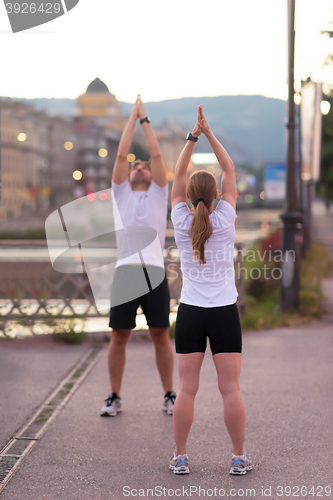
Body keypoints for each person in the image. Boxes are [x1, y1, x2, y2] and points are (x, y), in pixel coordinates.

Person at [169, 105, 252, 475]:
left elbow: (177, 173)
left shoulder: (180, 218)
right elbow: (230, 168)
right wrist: (210, 133)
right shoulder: (227, 217)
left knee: (186, 390)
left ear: (188, 195)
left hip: (189, 312)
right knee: (230, 389)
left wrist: (193, 136)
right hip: (223, 313)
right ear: (218, 194)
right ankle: (237, 459)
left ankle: (181, 458)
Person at [100, 96, 176, 417]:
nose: (141, 166)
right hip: (127, 272)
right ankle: (114, 396)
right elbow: (121, 154)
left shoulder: (160, 193)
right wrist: (130, 118)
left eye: (144, 165)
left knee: (161, 334)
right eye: (136, 166)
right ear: (129, 176)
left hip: (155, 272)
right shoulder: (121, 194)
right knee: (119, 336)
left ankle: (170, 395)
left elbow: (156, 153)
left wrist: (145, 120)